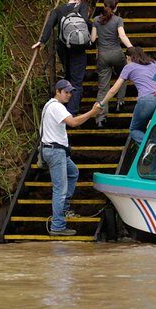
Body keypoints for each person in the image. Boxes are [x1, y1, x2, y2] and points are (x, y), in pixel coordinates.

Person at [41, 79, 102, 236]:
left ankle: (64, 209)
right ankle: (58, 226)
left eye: (70, 92)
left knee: (73, 172)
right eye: (66, 92)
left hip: (54, 150)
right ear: (57, 91)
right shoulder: (56, 107)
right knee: (60, 189)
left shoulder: (49, 105)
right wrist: (92, 113)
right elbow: (73, 122)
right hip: (55, 152)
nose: (69, 95)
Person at [96, 46, 156, 144]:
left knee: (135, 130)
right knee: (153, 134)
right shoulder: (153, 64)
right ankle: (153, 150)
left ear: (128, 57)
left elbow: (114, 89)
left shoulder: (129, 66)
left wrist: (102, 103)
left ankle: (148, 145)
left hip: (146, 100)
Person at [33, 0, 91, 116]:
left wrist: (41, 41)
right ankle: (72, 113)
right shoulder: (82, 7)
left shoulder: (58, 9)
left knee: (68, 75)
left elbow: (49, 25)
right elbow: (86, 22)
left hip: (63, 48)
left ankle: (64, 110)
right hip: (79, 49)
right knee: (77, 81)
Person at [90, 0, 133, 127]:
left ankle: (100, 118)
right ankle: (120, 101)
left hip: (102, 56)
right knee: (123, 74)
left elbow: (92, 39)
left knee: (103, 87)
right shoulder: (118, 20)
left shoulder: (96, 20)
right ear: (116, 7)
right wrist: (132, 48)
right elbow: (122, 36)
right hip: (116, 54)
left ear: (103, 6)